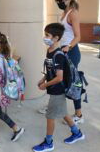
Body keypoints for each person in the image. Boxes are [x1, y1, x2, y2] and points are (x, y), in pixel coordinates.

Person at [33, 23, 84, 152]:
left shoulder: (58, 54)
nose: (45, 37)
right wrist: (44, 79)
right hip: (53, 88)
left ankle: (48, 143)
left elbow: (59, 77)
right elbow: (50, 70)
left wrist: (45, 85)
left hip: (58, 90)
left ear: (56, 38)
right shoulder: (49, 50)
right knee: (63, 112)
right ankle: (77, 133)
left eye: (47, 35)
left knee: (50, 116)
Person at [55, 0, 84, 125]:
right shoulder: (64, 13)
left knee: (73, 83)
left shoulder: (73, 14)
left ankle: (79, 114)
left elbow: (78, 37)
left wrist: (68, 47)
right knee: (61, 80)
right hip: (63, 50)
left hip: (71, 51)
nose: (59, 2)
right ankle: (55, 106)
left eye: (61, 0)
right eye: (57, 0)